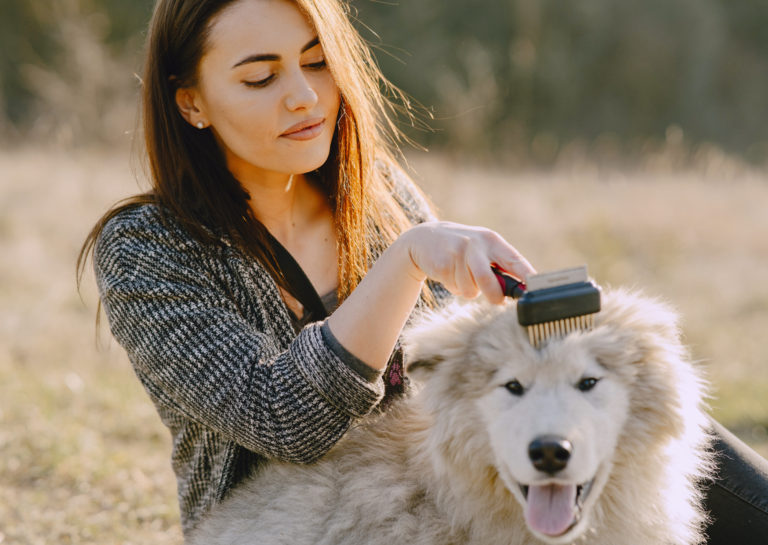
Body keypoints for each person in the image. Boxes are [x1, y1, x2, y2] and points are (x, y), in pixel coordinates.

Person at [78, 0, 768, 541]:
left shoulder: (372, 191)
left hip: (448, 479)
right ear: (189, 100)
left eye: (318, 63)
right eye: (261, 76)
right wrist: (407, 259)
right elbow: (281, 418)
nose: (304, 97)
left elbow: (461, 373)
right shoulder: (148, 247)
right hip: (300, 520)